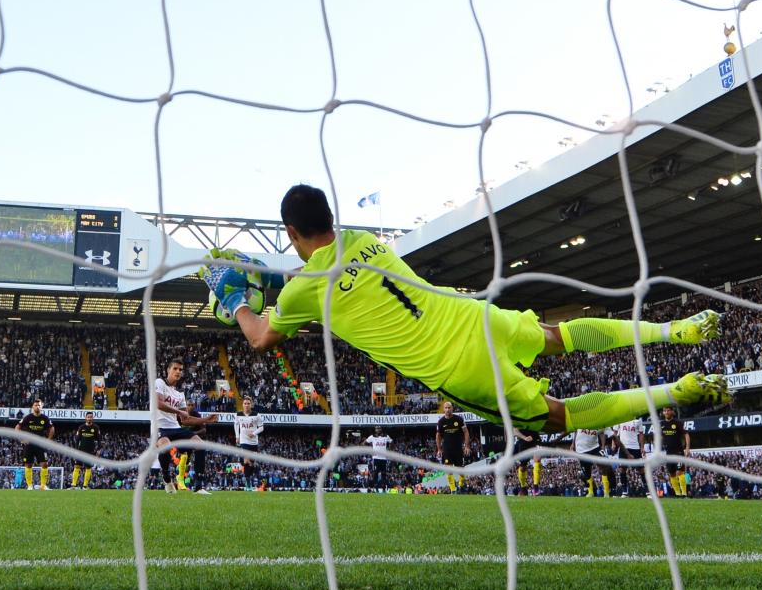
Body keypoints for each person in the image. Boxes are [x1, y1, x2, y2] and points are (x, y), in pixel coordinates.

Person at [201, 184, 729, 440]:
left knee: (555, 415)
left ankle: (673, 392)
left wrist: (235, 300)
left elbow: (261, 338)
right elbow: (314, 274)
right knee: (559, 335)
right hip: (473, 315)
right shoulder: (366, 239)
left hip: (456, 367)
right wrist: (261, 274)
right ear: (330, 219)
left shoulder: (301, 291)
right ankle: (671, 329)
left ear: (291, 233)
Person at [154, 358, 217, 494]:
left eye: (180, 370)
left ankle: (199, 486)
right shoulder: (159, 383)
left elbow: (185, 420)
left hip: (176, 428)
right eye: (175, 368)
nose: (178, 371)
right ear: (168, 370)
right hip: (160, 428)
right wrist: (178, 411)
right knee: (164, 446)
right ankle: (166, 478)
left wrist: (206, 419)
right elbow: (158, 403)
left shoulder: (180, 394)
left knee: (201, 445)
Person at [14, 398, 55, 491]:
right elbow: (17, 427)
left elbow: (52, 428)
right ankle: (29, 486)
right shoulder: (28, 417)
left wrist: (48, 440)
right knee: (28, 465)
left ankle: (43, 486)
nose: (37, 407)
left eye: (39, 405)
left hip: (40, 445)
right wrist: (21, 439)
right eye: (36, 405)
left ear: (42, 407)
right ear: (33, 407)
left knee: (44, 464)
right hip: (29, 445)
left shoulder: (45, 418)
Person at [436, 401, 470, 493]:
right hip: (447, 449)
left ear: (452, 408)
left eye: (449, 408)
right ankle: (453, 490)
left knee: (461, 470)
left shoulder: (459, 419)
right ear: (443, 409)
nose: (447, 410)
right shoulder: (441, 421)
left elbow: (466, 432)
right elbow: (438, 436)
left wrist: (467, 446)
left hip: (458, 448)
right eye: (446, 408)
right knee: (449, 469)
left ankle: (461, 485)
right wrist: (439, 449)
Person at [572, 428, 615, 497]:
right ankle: (590, 492)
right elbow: (576, 431)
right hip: (581, 449)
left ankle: (606, 492)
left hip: (595, 447)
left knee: (603, 466)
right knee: (587, 471)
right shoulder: (580, 420)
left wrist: (603, 446)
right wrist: (573, 444)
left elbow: (602, 433)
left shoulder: (595, 420)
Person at [235, 395, 264, 490]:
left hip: (253, 442)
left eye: (248, 403)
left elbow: (261, 427)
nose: (246, 405)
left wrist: (254, 433)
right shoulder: (238, 415)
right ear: (242, 405)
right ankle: (247, 483)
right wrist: (237, 436)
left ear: (251, 405)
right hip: (244, 441)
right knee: (246, 460)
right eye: (245, 403)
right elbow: (236, 425)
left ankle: (248, 479)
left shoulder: (256, 415)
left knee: (251, 463)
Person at [660, 406, 690, 497]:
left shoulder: (677, 423)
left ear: (672, 412)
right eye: (665, 411)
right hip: (668, 453)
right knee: (672, 474)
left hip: (678, 452)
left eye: (668, 410)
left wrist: (687, 448)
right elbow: (660, 437)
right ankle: (677, 494)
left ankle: (684, 494)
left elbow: (686, 434)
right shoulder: (662, 424)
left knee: (679, 472)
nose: (666, 412)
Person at [612, 417, 645, 497]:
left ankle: (648, 491)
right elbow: (615, 433)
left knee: (641, 470)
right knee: (622, 469)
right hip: (623, 447)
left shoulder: (638, 420)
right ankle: (624, 492)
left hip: (635, 447)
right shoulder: (619, 418)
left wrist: (642, 447)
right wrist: (613, 443)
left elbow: (641, 434)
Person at [70, 412, 101, 490]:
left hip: (90, 451)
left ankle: (85, 486)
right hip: (81, 451)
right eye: (88, 417)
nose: (89, 418)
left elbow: (99, 440)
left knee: (88, 468)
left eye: (91, 417)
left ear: (92, 418)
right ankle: (73, 485)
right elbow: (77, 440)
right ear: (85, 418)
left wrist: (98, 450)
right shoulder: (81, 427)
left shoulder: (96, 428)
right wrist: (76, 450)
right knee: (77, 467)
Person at [512, 427, 540, 496]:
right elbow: (515, 431)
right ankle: (523, 487)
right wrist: (524, 437)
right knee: (522, 467)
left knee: (537, 461)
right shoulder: (519, 418)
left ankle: (536, 487)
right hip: (523, 443)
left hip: (535, 440)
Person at [365, 425, 393, 491]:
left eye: (379, 428)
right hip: (376, 458)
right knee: (375, 473)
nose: (378, 430)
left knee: (383, 474)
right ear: (375, 430)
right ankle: (376, 488)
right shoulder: (372, 437)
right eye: (377, 429)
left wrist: (389, 449)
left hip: (383, 458)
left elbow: (391, 441)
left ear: (381, 429)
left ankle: (383, 488)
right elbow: (365, 442)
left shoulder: (386, 436)